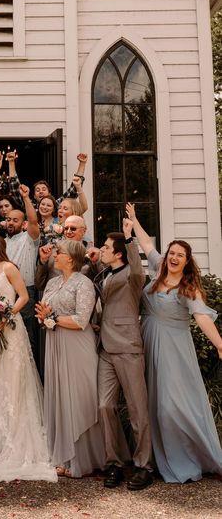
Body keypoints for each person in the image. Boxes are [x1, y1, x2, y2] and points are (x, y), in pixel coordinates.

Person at [126, 203, 222, 483]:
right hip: (147, 340)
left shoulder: (188, 288)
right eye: (172, 253)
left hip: (173, 349)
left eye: (181, 255)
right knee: (152, 403)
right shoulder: (157, 268)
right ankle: (153, 457)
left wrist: (219, 343)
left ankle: (193, 455)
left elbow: (202, 318)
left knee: (172, 405)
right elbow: (145, 243)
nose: (174, 257)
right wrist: (135, 220)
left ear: (187, 260)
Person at [0, 234, 56, 482]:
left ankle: (20, 440)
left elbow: (24, 296)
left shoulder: (9, 267)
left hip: (11, 330)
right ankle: (6, 439)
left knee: (15, 383)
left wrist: (6, 315)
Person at [36, 239, 105, 478]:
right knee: (59, 394)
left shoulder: (83, 283)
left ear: (72, 258)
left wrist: (51, 317)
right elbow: (42, 313)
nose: (55, 254)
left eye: (60, 252)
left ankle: (82, 457)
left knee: (77, 395)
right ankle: (62, 456)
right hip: (54, 343)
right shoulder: (53, 282)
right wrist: (45, 318)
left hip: (77, 345)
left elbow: (81, 320)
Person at [93, 219, 153, 491]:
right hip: (105, 348)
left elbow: (137, 265)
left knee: (137, 409)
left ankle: (143, 466)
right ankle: (115, 463)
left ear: (119, 253)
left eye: (106, 247)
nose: (101, 249)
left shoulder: (133, 277)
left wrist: (129, 238)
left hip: (128, 347)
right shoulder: (103, 274)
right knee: (105, 406)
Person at [4, 184, 40, 358]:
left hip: (26, 292)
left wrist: (26, 198)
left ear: (23, 223)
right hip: (5, 294)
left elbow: (34, 221)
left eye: (15, 220)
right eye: (8, 219)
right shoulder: (1, 243)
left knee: (27, 337)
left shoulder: (29, 238)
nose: (11, 222)